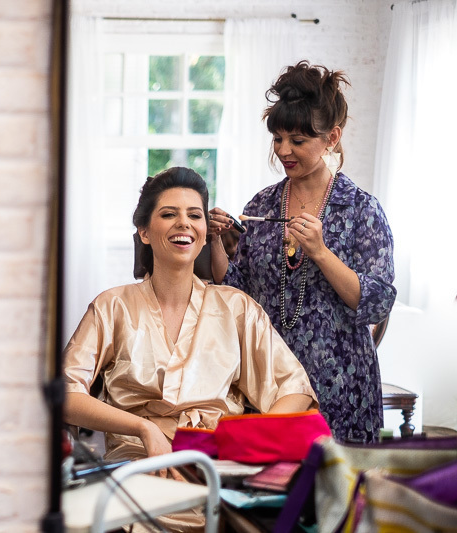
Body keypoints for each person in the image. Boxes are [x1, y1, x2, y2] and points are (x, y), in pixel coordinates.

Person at [63, 166, 316, 465]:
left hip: (217, 466)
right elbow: (65, 393)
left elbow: (294, 389)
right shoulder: (111, 306)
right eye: (169, 214)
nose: (183, 223)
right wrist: (143, 428)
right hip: (137, 467)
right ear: (144, 232)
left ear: (205, 231)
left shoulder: (237, 308)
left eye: (195, 215)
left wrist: (249, 437)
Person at [209, 61, 396, 443]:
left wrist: (321, 252)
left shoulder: (361, 210)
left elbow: (377, 304)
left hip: (342, 386)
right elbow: (237, 291)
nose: (284, 151)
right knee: (270, 495)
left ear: (331, 137)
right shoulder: (262, 205)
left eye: (297, 140)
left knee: (338, 498)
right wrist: (214, 239)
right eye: (278, 139)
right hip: (271, 382)